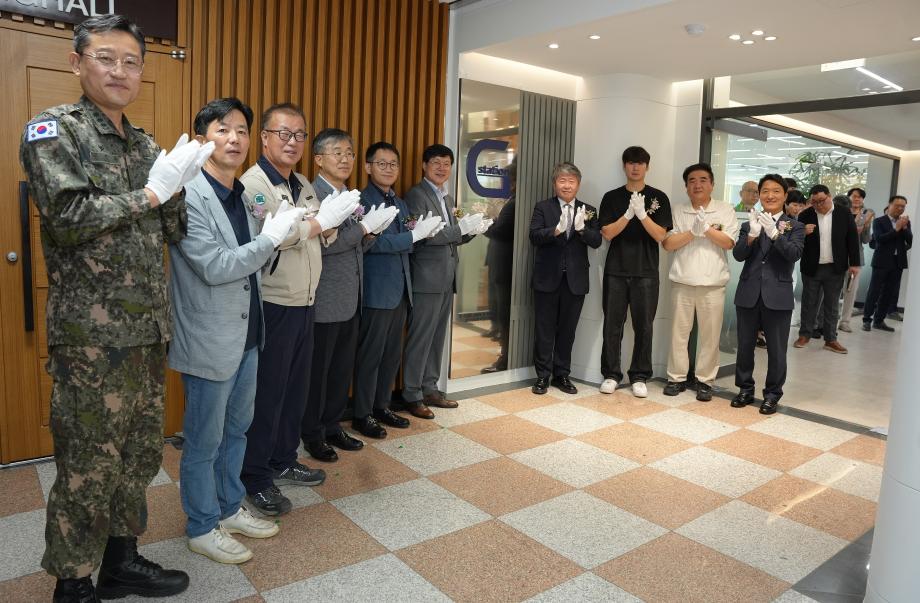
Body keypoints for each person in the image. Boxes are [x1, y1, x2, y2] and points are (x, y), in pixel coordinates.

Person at [19, 15, 212, 601]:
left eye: (131, 62)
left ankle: (121, 561)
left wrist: (180, 184)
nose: (120, 71)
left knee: (138, 455)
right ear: (77, 63)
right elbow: (68, 217)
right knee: (87, 464)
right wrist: (151, 192)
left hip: (147, 331)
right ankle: (73, 583)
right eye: (106, 58)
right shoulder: (54, 130)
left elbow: (173, 229)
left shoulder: (146, 143)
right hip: (92, 339)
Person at [170, 98, 306, 563]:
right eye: (222, 129)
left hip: (249, 333)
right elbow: (216, 267)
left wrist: (277, 236)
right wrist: (270, 239)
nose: (234, 139)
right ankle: (201, 525)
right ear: (202, 138)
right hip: (209, 338)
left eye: (242, 130)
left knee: (237, 432)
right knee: (203, 441)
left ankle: (228, 507)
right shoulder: (188, 195)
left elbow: (256, 262)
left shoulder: (243, 195)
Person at [239, 111, 360, 514]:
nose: (292, 142)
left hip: (306, 300)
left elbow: (320, 234)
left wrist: (331, 221)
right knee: (268, 394)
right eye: (284, 134)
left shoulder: (303, 183)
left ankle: (283, 459)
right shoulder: (254, 184)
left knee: (294, 392)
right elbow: (270, 235)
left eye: (299, 135)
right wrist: (318, 224)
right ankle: (255, 476)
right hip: (275, 301)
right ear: (264, 137)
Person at [304, 129, 398, 449]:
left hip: (350, 298)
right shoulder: (313, 195)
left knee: (340, 371)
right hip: (325, 299)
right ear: (319, 159)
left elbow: (354, 247)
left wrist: (370, 235)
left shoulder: (350, 194)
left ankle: (332, 427)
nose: (345, 159)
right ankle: (313, 434)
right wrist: (363, 228)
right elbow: (324, 246)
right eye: (337, 153)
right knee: (319, 374)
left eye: (349, 153)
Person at [353, 142, 443, 436]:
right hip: (377, 291)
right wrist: (412, 237)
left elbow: (410, 233)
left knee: (391, 355)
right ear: (368, 167)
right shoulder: (361, 201)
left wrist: (422, 233)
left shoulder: (400, 202)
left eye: (393, 164)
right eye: (382, 163)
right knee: (371, 356)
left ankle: (382, 407)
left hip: (402, 289)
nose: (389, 169)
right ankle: (362, 414)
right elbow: (372, 243)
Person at [402, 144, 488, 418]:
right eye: (436, 162)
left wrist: (471, 231)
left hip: (446, 277)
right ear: (424, 166)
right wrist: (459, 229)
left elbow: (452, 238)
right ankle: (412, 393)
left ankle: (430, 388)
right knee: (420, 338)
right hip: (425, 279)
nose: (442, 168)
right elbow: (426, 236)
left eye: (446, 164)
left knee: (437, 338)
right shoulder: (416, 195)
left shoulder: (447, 197)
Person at [598, 146, 672, 398]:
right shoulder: (611, 197)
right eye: (631, 162)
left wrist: (642, 215)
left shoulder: (659, 197)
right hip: (616, 271)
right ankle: (611, 375)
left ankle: (640, 376)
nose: (635, 167)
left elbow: (660, 235)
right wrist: (628, 214)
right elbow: (607, 233)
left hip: (646, 272)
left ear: (647, 167)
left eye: (640, 163)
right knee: (612, 325)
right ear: (624, 166)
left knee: (644, 327)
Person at [662, 163, 738, 401]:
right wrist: (692, 232)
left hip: (713, 283)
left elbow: (728, 243)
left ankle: (705, 381)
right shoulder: (678, 210)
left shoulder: (724, 209)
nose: (697, 185)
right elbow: (668, 244)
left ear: (712, 184)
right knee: (678, 334)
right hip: (682, 281)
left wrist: (705, 228)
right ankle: (676, 378)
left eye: (703, 180)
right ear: (686, 187)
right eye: (692, 181)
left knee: (710, 336)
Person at [731, 174, 805, 415]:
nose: (770, 195)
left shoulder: (795, 226)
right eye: (765, 191)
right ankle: (744, 389)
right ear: (759, 195)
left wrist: (775, 234)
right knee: (745, 346)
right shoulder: (748, 223)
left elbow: (794, 254)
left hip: (778, 295)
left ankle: (772, 395)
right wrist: (752, 236)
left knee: (776, 350)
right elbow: (738, 255)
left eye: (775, 191)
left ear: (784, 195)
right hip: (748, 292)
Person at [529, 162, 602, 394]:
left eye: (571, 181)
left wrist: (581, 229)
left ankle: (562, 375)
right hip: (547, 278)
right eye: (562, 180)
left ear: (578, 184)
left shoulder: (589, 210)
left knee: (567, 331)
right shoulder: (543, 207)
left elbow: (596, 241)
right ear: (555, 184)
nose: (567, 185)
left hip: (575, 281)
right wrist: (556, 230)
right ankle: (542, 376)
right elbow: (534, 236)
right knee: (544, 330)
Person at [792, 184, 860, 354]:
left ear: (829, 196)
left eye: (821, 200)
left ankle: (830, 339)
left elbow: (852, 238)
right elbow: (794, 238)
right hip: (812, 266)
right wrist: (802, 232)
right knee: (809, 303)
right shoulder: (805, 215)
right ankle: (804, 335)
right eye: (814, 202)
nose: (818, 205)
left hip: (835, 267)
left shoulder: (843, 213)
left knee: (832, 305)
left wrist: (854, 263)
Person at [482, 161, 517, 373]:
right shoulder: (513, 200)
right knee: (501, 311)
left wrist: (484, 223)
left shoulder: (513, 203)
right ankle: (505, 356)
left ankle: (505, 359)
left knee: (504, 314)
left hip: (505, 266)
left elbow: (499, 231)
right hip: (503, 265)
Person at [862, 195, 912, 331]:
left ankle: (879, 321)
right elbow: (879, 239)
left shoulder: (905, 222)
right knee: (874, 291)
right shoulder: (879, 221)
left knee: (888, 293)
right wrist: (896, 229)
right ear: (890, 205)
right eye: (897, 205)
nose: (900, 208)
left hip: (897, 262)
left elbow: (910, 240)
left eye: (903, 206)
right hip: (881, 261)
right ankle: (866, 320)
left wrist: (904, 228)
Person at [838, 187, 874, 333]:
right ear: (849, 197)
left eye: (860, 197)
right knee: (833, 290)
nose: (857, 199)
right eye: (854, 196)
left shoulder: (866, 215)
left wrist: (866, 226)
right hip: (838, 257)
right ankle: (828, 320)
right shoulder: (841, 212)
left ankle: (845, 321)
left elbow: (866, 240)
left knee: (850, 291)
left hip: (855, 259)